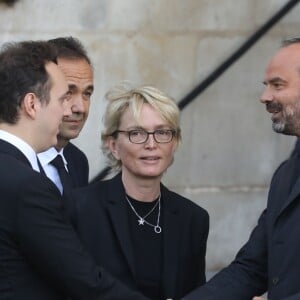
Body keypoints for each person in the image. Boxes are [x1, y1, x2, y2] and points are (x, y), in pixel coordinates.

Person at [0, 40, 150, 300]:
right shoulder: (27, 186)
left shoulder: (71, 162)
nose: (70, 109)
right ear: (32, 104)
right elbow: (82, 278)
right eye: (63, 97)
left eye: (86, 94)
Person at [182, 38, 300, 300]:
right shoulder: (285, 176)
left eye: (277, 85)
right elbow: (251, 269)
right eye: (265, 86)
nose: (264, 97)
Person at [71, 84, 209, 300]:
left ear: (174, 143)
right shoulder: (80, 208)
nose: (151, 144)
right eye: (137, 133)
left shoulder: (194, 218)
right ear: (114, 145)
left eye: (163, 132)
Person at [38, 36, 93, 194]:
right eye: (68, 93)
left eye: (87, 94)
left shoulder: (78, 161)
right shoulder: (12, 161)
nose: (80, 108)